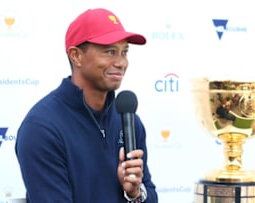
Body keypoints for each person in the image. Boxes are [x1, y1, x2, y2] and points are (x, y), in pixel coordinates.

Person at [15, 8, 158, 203]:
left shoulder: (129, 121)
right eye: (110, 52)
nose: (121, 62)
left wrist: (134, 194)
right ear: (76, 56)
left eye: (124, 52)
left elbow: (149, 197)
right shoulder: (42, 127)